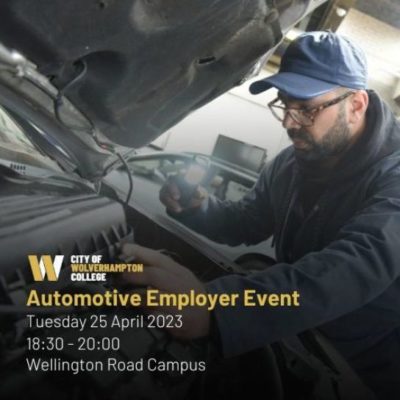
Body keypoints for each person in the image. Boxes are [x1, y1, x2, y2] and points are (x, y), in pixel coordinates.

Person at [121, 31, 400, 399]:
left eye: (306, 108)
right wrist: (200, 209)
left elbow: (354, 266)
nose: (288, 122)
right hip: (288, 333)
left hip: (361, 369)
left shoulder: (393, 174)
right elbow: (247, 221)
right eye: (284, 105)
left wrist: (219, 309)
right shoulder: (292, 162)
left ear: (357, 104)